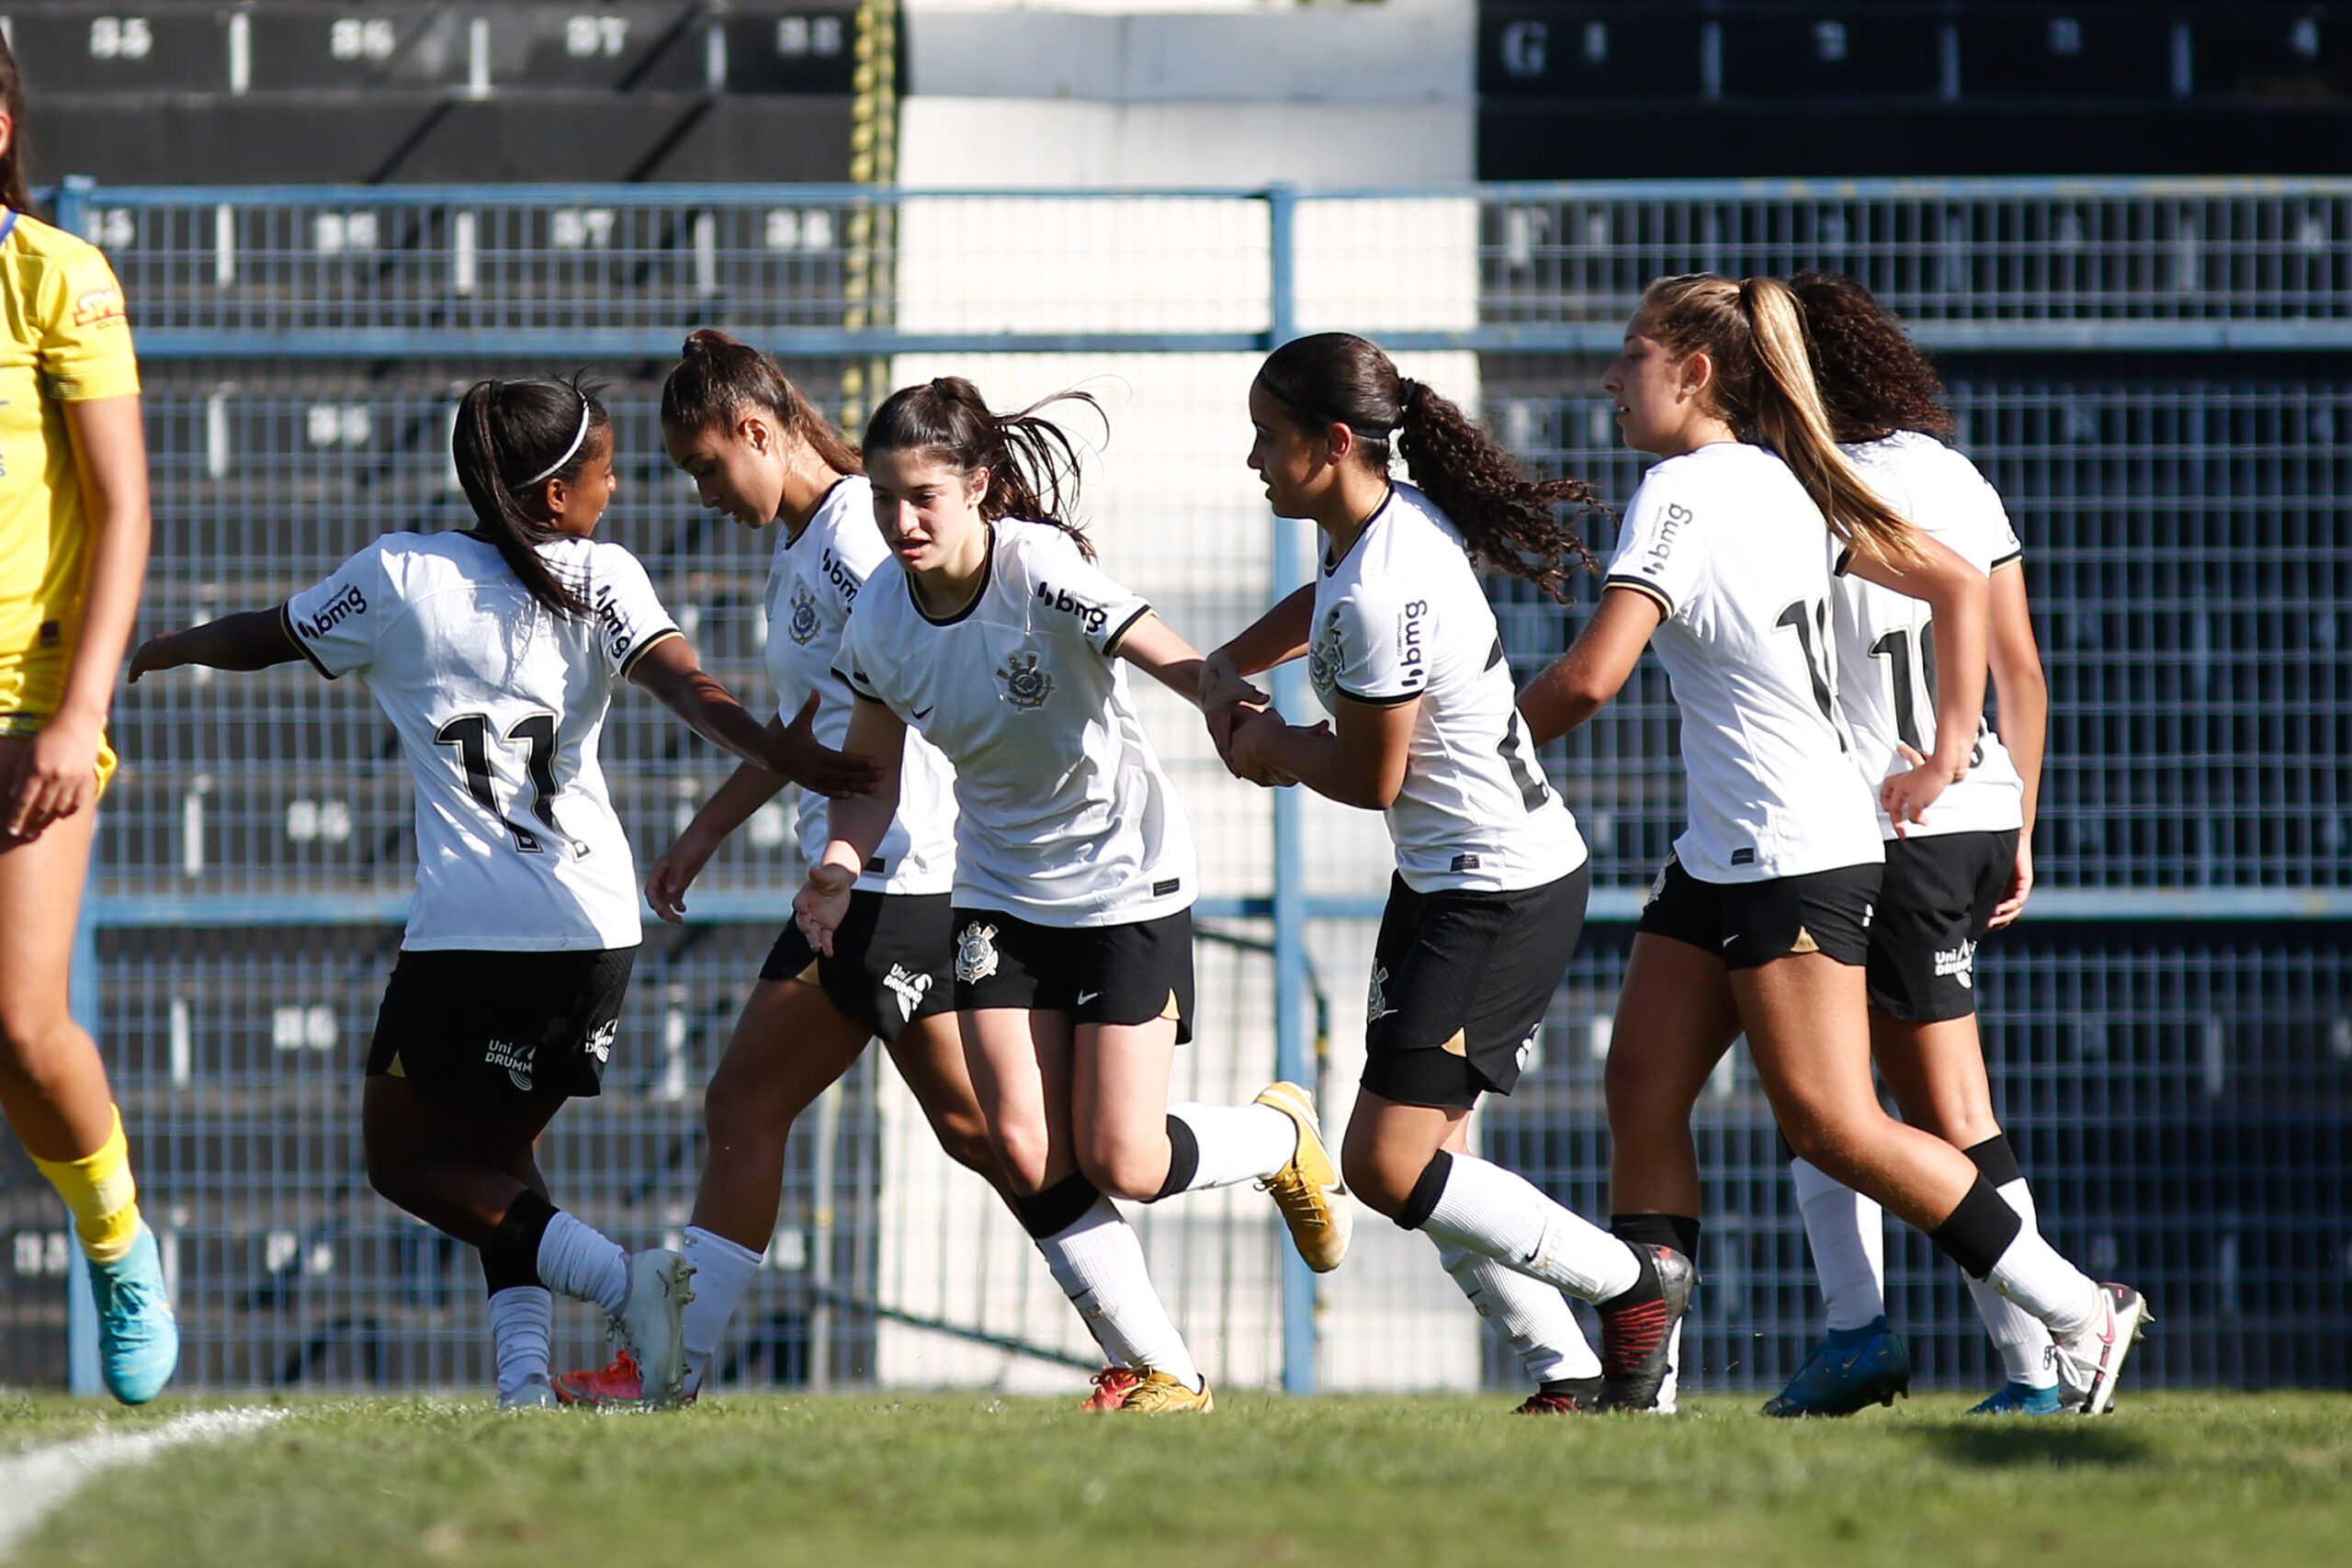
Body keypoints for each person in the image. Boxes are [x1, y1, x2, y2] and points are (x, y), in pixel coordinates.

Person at [129, 375, 877, 1409]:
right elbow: (690, 691)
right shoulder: (606, 578)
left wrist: (167, 648)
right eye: (607, 470)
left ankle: (627, 1283)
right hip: (593, 929)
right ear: (554, 494)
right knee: (499, 1157)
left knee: (405, 1159)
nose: (619, 488)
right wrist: (774, 746)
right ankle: (523, 1382)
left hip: (475, 933)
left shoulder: (400, 575)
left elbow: (269, 634)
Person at [1516, 274, 2146, 1416]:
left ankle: (2071, 1311)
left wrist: (1449, 744)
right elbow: (1960, 586)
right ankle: (1641, 1384)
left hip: (1793, 845)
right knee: (1642, 1087)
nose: (1610, 379)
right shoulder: (1777, 481)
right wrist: (1960, 755)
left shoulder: (1687, 488)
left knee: (1833, 1124)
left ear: (1694, 374)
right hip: (1722, 847)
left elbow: (1590, 675)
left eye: (1631, 355)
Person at [796, 376, 1349, 1413]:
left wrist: (1222, 691)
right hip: (998, 892)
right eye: (882, 498)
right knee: (1019, 1144)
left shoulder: (1038, 570)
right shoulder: (876, 615)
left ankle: (1281, 1140)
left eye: (923, 496)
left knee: (1126, 1160)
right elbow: (866, 776)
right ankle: (1164, 1372)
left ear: (980, 488)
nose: (901, 521)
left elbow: (1159, 648)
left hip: (1124, 887)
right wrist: (837, 865)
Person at [1204, 333, 1657, 1413]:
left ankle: (1634, 1286)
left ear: (1335, 442)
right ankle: (1572, 1373)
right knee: (1438, 1164)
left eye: (1269, 440)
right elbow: (1325, 615)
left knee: (1386, 1165)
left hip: (1493, 891)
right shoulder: (1374, 528)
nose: (1253, 460)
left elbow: (1369, 777)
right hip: (1450, 879)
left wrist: (1269, 745)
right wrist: (1231, 664)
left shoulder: (1384, 581)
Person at [549, 331, 1003, 1405]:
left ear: (758, 430)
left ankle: (1226, 1184)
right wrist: (708, 830)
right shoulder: (805, 549)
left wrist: (857, 845)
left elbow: (906, 708)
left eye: (708, 466)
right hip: (851, 882)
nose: (703, 494)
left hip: (898, 877)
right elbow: (815, 729)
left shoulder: (857, 535)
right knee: (773, 1111)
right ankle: (666, 1371)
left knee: (982, 1135)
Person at [1759, 272, 2064, 1418]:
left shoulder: (1798, 486)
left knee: (1927, 1108)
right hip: (1977, 811)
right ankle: (1859, 1334)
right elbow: (2021, 670)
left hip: (1888, 820)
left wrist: (1936, 764)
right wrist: (2019, 817)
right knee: (1823, 1090)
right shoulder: (1949, 470)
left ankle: (2042, 1361)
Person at [0, 38, 176, 1404]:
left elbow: (123, 509)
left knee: (19, 1019)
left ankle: (116, 1238)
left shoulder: (53, 273)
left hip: (25, 704)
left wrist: (80, 710)